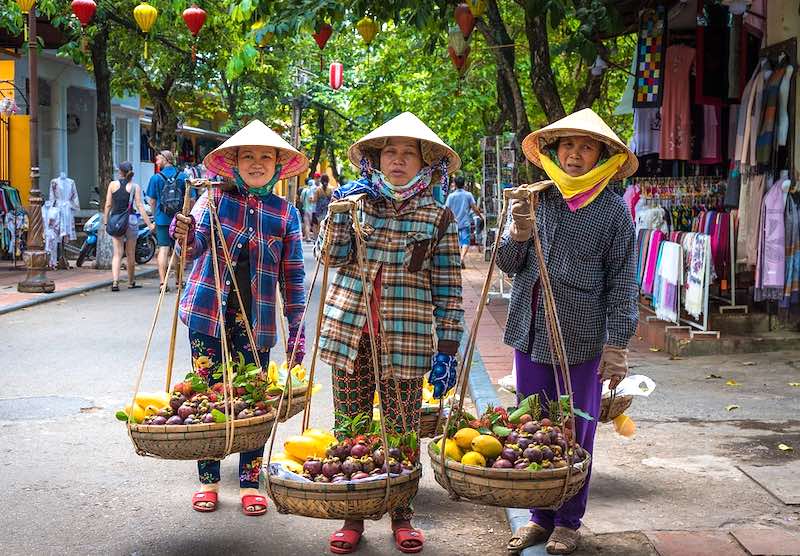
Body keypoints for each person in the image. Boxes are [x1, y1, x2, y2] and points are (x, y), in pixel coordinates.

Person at [317, 112, 464, 554]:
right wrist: (339, 209)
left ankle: (402, 514)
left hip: (408, 338)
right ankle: (352, 515)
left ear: (424, 163)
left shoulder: (437, 216)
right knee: (351, 426)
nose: (397, 160)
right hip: (350, 334)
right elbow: (331, 256)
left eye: (408, 153)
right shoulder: (354, 202)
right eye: (389, 152)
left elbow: (449, 288)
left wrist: (449, 349)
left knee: (400, 430)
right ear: (376, 159)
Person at [499, 109, 639, 555]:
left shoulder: (614, 211)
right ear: (554, 152)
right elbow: (506, 264)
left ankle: (568, 520)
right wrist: (518, 233)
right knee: (533, 426)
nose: (575, 155)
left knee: (576, 432)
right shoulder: (536, 198)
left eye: (587, 147)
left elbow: (622, 281)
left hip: (582, 337)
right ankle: (539, 517)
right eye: (568, 146)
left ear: (602, 157)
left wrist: (616, 345)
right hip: (531, 330)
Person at [170, 120, 308, 517]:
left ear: (278, 165)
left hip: (257, 320)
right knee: (207, 397)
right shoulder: (212, 201)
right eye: (248, 156)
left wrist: (296, 328)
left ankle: (250, 482)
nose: (257, 163)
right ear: (234, 162)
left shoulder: (285, 214)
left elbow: (293, 275)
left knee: (253, 402)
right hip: (207, 314)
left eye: (266, 156)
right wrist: (185, 233)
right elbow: (192, 248)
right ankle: (209, 482)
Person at [104, 161, 155, 291]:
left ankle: (115, 282)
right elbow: (140, 206)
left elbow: (108, 205)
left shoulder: (112, 185)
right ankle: (131, 281)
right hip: (131, 220)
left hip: (116, 220)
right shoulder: (134, 187)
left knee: (117, 254)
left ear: (120, 172)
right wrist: (149, 224)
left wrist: (105, 221)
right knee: (130, 253)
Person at [147, 150, 188, 291]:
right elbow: (192, 197)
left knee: (163, 249)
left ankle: (163, 283)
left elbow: (152, 200)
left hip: (162, 219)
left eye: (158, 159)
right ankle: (178, 281)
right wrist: (188, 214)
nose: (157, 162)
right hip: (179, 218)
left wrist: (155, 216)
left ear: (166, 159)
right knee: (177, 250)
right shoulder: (183, 176)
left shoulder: (156, 178)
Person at [445, 175, 482, 267]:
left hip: (453, 223)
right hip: (465, 222)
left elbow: (446, 210)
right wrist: (480, 216)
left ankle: (457, 259)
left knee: (455, 242)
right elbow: (474, 208)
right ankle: (462, 258)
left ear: (455, 184)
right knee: (465, 242)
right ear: (464, 184)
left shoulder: (451, 196)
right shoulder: (468, 195)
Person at [301, 177, 317, 241]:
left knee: (306, 224)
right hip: (312, 209)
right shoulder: (313, 190)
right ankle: (313, 236)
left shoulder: (304, 190)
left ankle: (307, 237)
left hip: (305, 208)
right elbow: (312, 199)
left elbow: (301, 200)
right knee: (312, 224)